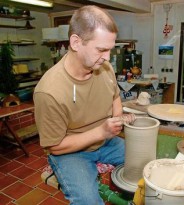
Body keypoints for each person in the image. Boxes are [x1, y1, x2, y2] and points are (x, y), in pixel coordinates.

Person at [34, 5, 135, 205]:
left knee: (146, 164)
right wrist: (101, 132)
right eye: (101, 49)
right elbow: (55, 146)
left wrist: (117, 118)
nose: (107, 57)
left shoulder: (104, 68)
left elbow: (115, 96)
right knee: (89, 201)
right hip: (71, 152)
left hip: (106, 142)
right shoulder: (49, 91)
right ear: (76, 42)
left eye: (110, 49)